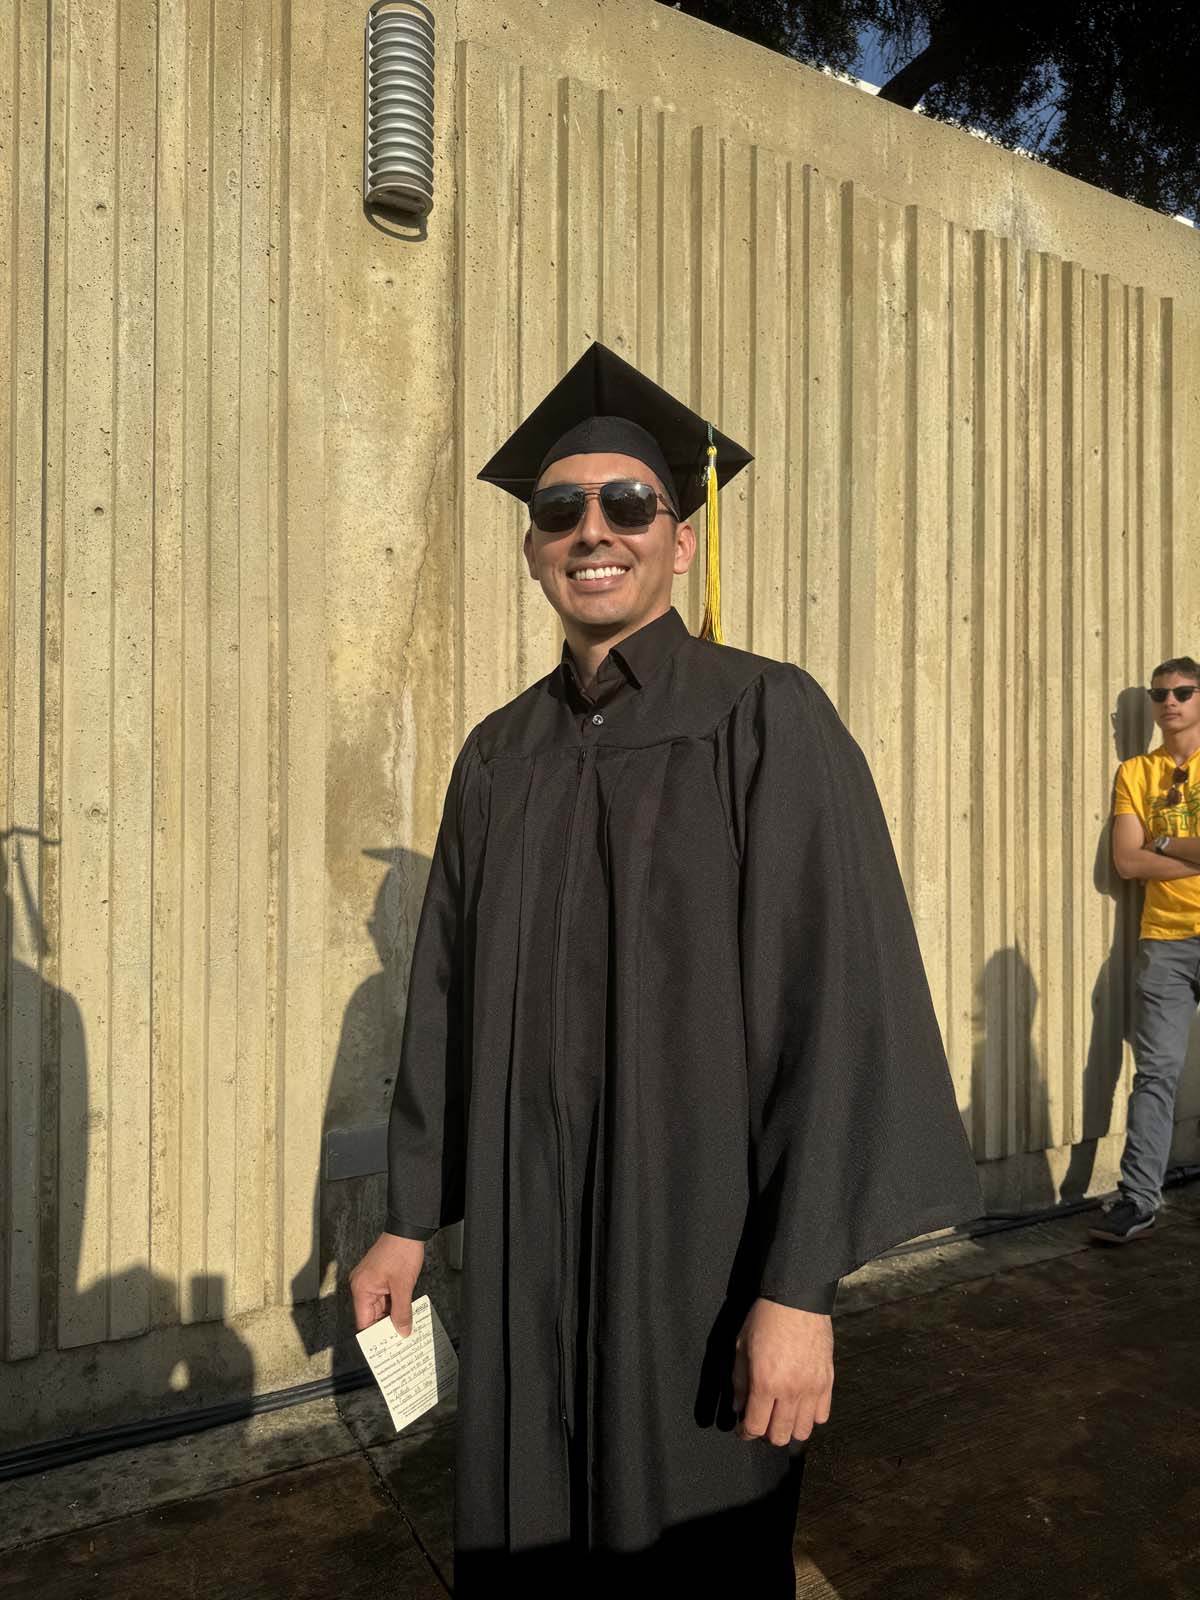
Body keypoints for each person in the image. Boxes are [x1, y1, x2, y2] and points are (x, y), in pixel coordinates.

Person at [350, 343, 982, 1592]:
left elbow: (840, 1013)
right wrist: (406, 1218)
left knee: (688, 1556)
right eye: (560, 510)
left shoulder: (765, 720)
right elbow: (442, 1003)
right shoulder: (496, 757)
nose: (595, 530)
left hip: (699, 1266)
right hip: (530, 1259)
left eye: (629, 504)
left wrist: (799, 1291)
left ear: (681, 538)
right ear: (532, 546)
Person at [1093, 655, 1200, 1244]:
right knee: (1155, 1074)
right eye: (1161, 695)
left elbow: (1144, 851)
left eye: (1183, 691)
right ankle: (1138, 1200)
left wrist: (1160, 838)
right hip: (1165, 941)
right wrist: (1184, 847)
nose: (1170, 702)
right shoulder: (1136, 772)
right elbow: (1127, 861)